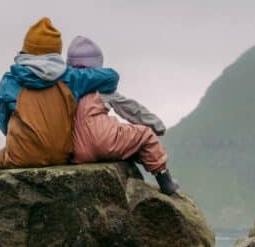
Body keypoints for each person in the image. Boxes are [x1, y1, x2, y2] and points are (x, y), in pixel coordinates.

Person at [0, 18, 119, 169]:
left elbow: (2, 121)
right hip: (62, 155)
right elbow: (112, 77)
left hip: (22, 155)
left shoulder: (10, 81)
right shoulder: (71, 78)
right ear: (56, 52)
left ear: (26, 50)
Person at [67, 35, 180, 195]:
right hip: (104, 140)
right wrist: (156, 125)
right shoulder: (103, 87)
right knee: (144, 136)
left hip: (76, 148)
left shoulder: (65, 88)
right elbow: (131, 109)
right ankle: (165, 181)